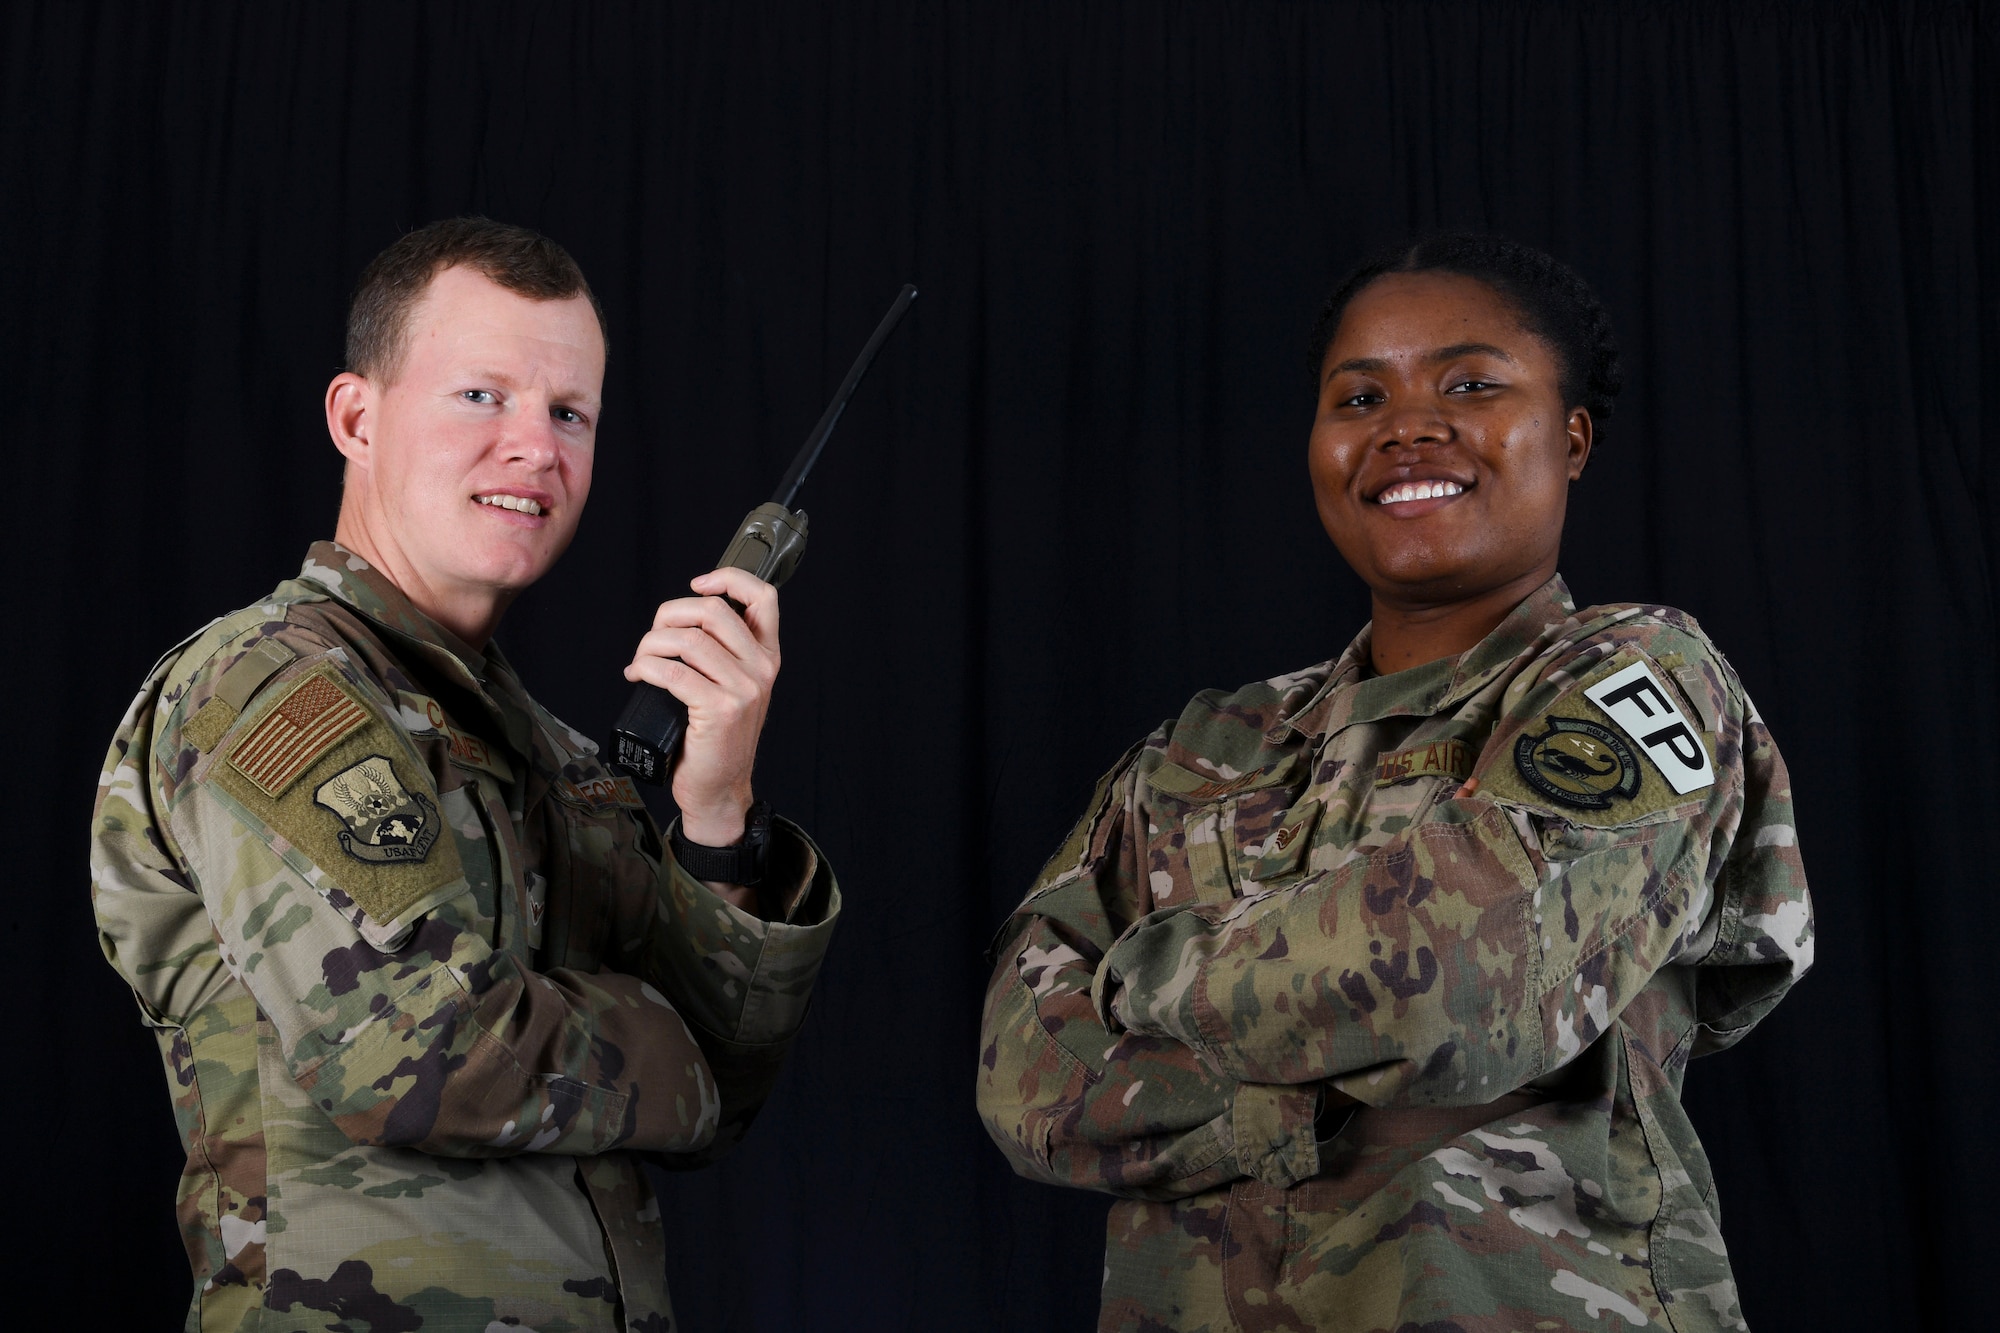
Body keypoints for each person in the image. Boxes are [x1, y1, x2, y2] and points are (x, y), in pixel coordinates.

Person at [976, 234, 1813, 1332]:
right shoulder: (1203, 746)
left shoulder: (1634, 679)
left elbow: (1456, 982)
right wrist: (1322, 1068)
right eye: (1357, 396)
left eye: (1468, 383)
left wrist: (1140, 980)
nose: (1405, 426)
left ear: (1570, 437)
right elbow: (1023, 1079)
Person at [91, 218, 839, 1332]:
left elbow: (728, 1090)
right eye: (481, 396)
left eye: (568, 412)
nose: (536, 447)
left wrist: (714, 809)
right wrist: (665, 1042)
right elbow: (415, 1057)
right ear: (356, 416)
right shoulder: (272, 689)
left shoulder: (551, 751)